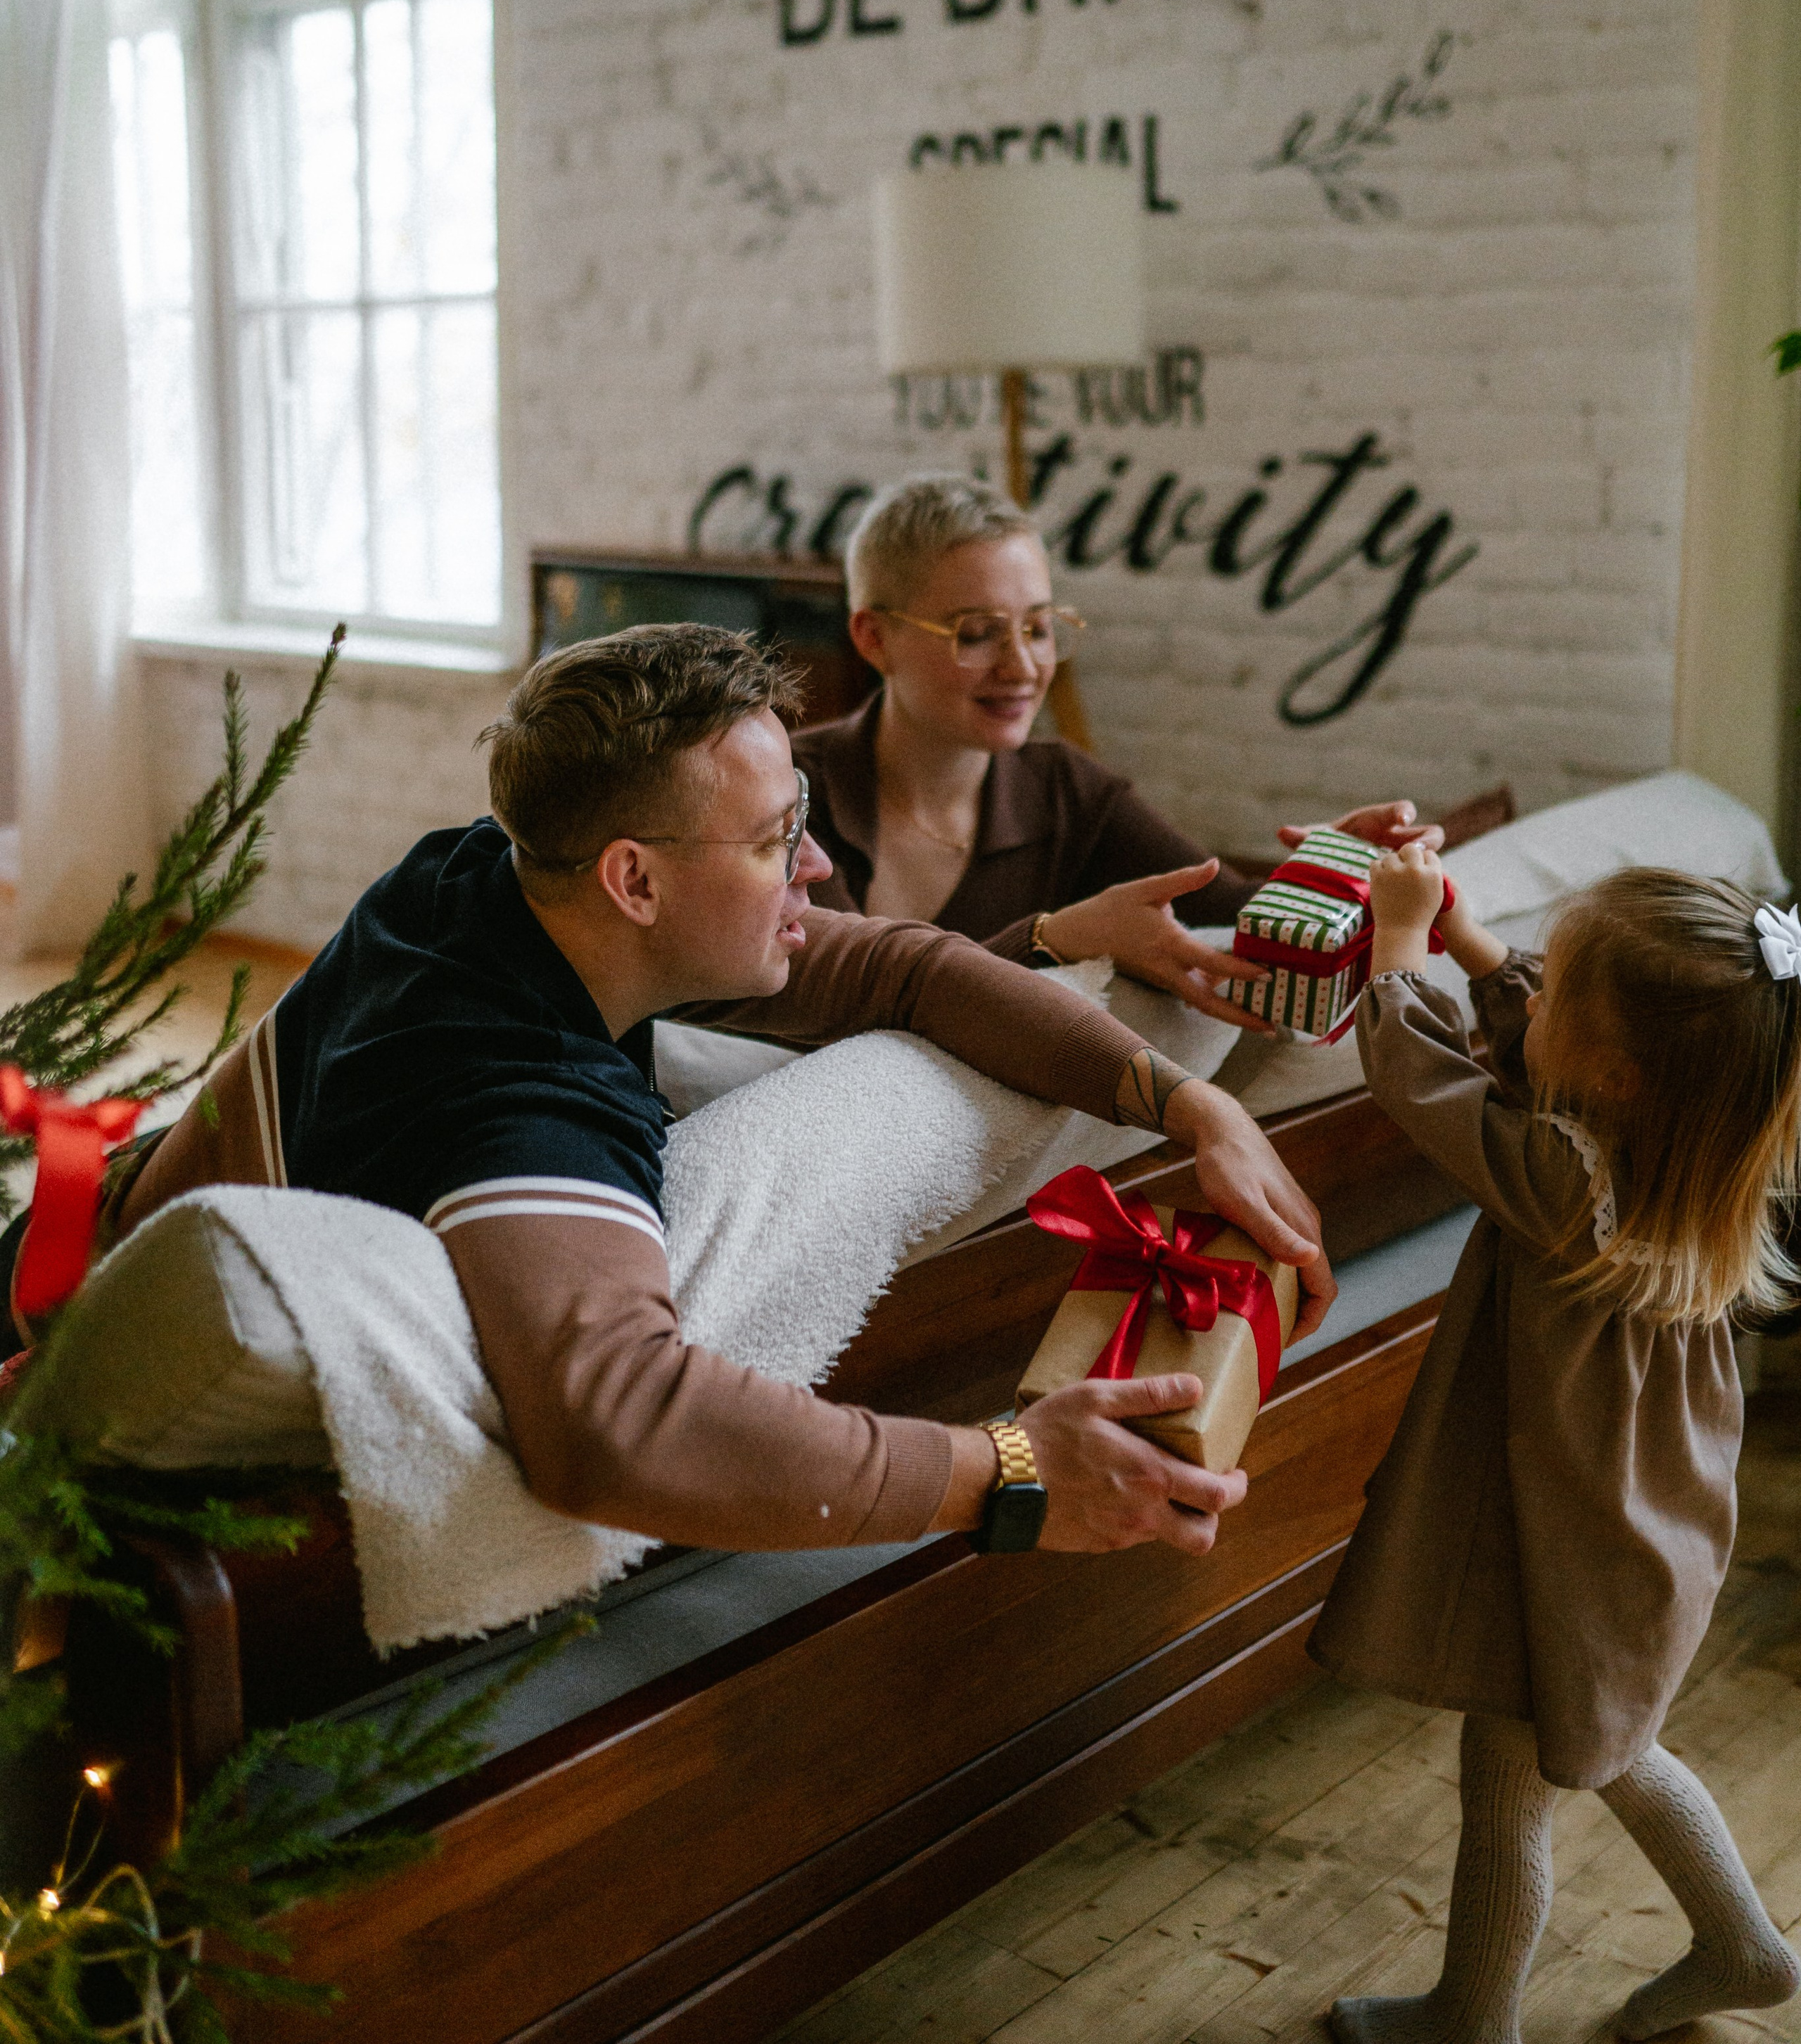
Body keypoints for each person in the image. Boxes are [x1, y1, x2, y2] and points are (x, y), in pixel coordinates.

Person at [80, 624, 1336, 1566]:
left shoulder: (484, 880)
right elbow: (616, 1423)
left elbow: (905, 965)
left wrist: (1190, 1107)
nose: (821, 863)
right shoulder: (519, 1105)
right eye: (775, 838)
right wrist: (1011, 1467)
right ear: (635, 880)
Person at [1310, 843, 1801, 2044]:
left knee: (1517, 1780)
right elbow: (1546, 1031)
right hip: (1636, 1530)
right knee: (1614, 1751)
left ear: (1614, 1075)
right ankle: (1741, 1948)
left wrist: (1400, 943)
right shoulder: (1682, 1160)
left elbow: (1418, 1082)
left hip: (1571, 1550)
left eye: (1553, 988)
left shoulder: (1560, 1177)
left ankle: (1473, 2021)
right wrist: (1477, 945)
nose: (1528, 987)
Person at [794, 473, 1444, 1032]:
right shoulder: (785, 794)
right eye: (979, 633)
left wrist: (1331, 864)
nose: (1023, 666)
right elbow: (853, 1006)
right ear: (874, 638)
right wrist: (1051, 940)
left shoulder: (1067, 788)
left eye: (1040, 628)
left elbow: (1225, 916)